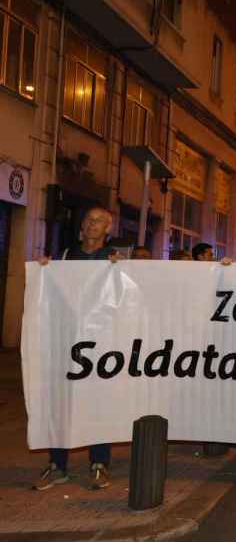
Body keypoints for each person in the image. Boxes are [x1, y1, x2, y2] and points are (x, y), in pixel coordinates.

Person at [34, 206, 119, 491]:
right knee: (61, 401)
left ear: (108, 229)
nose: (93, 225)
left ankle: (99, 463)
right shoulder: (65, 257)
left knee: (98, 401)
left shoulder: (115, 259)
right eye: (89, 219)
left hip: (102, 343)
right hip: (67, 341)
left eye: (99, 221)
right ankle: (57, 465)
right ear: (82, 225)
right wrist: (42, 270)